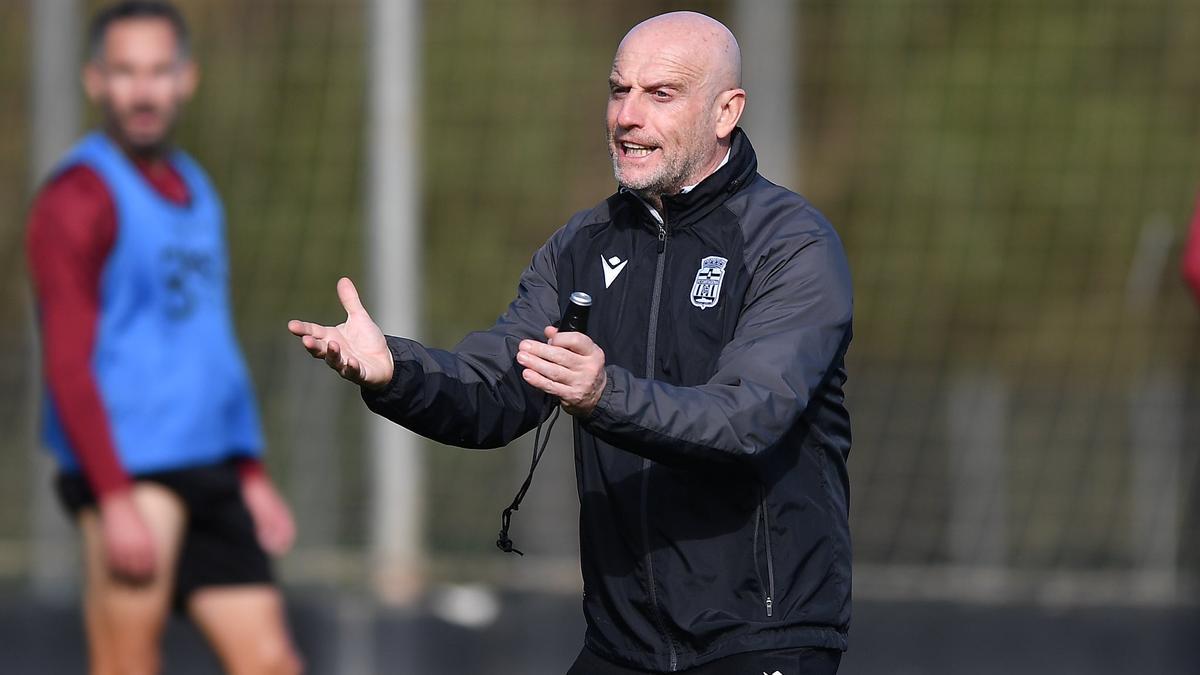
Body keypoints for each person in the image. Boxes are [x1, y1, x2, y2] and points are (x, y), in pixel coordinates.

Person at [291, 11, 852, 675]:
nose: (627, 116)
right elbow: (501, 386)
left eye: (660, 94)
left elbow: (745, 417)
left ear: (726, 111)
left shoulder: (791, 245)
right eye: (620, 91)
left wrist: (603, 392)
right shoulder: (583, 246)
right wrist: (394, 370)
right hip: (622, 641)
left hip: (760, 636)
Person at [26, 2, 302, 673]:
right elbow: (66, 363)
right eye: (125, 72)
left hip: (210, 463)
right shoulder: (78, 197)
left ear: (186, 79)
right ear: (96, 81)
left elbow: (209, 341)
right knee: (128, 661)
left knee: (270, 660)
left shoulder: (197, 189)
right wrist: (114, 497)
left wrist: (251, 472)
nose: (143, 90)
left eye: (158, 71)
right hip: (133, 468)